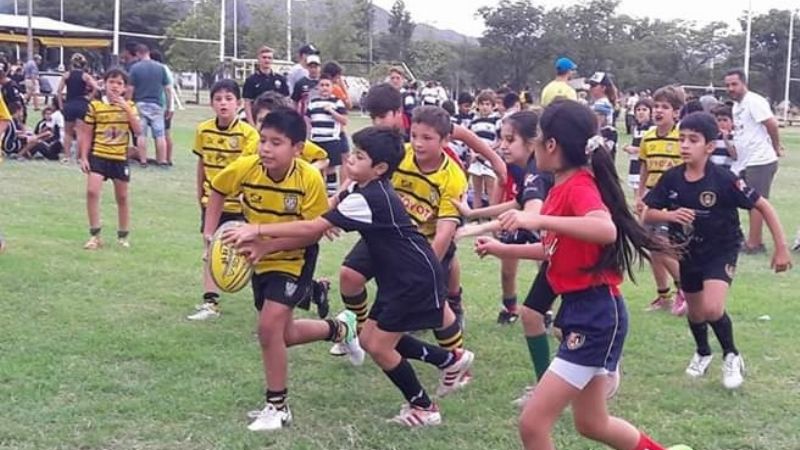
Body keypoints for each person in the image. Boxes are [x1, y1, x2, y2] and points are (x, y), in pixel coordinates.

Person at [223, 126, 475, 427]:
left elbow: (312, 228)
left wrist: (259, 230)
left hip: (413, 277)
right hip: (400, 276)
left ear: (379, 168)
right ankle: (450, 360)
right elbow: (324, 217)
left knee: (380, 346)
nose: (350, 160)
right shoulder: (360, 189)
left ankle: (424, 407)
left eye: (359, 157)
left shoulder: (370, 196)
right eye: (352, 153)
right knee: (370, 338)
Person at [473, 100, 684, 450]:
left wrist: (537, 219)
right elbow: (554, 251)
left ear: (550, 145)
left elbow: (605, 230)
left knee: (532, 424)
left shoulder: (580, 186)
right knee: (592, 424)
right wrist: (503, 249)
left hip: (596, 315)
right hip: (584, 311)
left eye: (537, 139)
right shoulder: (561, 186)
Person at [201, 108, 362, 432]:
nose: (265, 148)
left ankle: (277, 406)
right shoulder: (247, 168)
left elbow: (314, 230)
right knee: (282, 334)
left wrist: (261, 237)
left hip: (294, 259)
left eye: (276, 142)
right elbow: (217, 189)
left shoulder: (309, 178)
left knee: (267, 329)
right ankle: (341, 328)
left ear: (298, 149)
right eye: (263, 140)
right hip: (257, 259)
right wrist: (211, 236)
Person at [643, 112, 791, 390]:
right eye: (682, 139)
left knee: (712, 307)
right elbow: (648, 213)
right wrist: (670, 216)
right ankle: (702, 353)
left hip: (721, 250)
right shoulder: (672, 179)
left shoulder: (724, 179)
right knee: (695, 312)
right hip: (687, 252)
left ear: (709, 147)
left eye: (693, 140)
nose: (685, 145)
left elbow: (764, 206)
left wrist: (781, 248)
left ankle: (732, 355)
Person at [334, 104, 474, 393]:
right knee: (349, 275)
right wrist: (338, 196)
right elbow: (364, 170)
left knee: (438, 307)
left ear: (445, 141)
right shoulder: (401, 156)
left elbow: (445, 230)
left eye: (428, 138)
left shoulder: (453, 177)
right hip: (387, 233)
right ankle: (362, 332)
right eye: (415, 135)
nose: (419, 143)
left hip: (423, 247)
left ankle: (459, 363)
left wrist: (424, 269)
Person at [454, 112, 556, 396]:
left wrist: (485, 236)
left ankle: (604, 367)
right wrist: (475, 217)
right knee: (532, 314)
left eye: (510, 139)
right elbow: (518, 203)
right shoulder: (531, 170)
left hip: (571, 256)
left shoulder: (537, 172)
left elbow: (529, 213)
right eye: (501, 138)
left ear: (533, 141)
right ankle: (545, 385)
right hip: (559, 253)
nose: (502, 145)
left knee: (565, 326)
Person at [186, 79, 259, 321]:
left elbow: (247, 169)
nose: (223, 103)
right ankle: (210, 302)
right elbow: (201, 165)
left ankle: (270, 300)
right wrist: (200, 196)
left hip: (240, 206)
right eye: (218, 99)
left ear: (238, 103)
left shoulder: (249, 134)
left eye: (229, 99)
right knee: (210, 251)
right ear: (211, 104)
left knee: (252, 254)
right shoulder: (203, 130)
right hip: (212, 204)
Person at [77, 69, 142, 250]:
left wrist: (127, 108)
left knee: (122, 197)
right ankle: (95, 235)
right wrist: (83, 156)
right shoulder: (95, 106)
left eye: (120, 83)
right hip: (99, 155)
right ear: (104, 83)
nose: (115, 86)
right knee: (92, 192)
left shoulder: (129, 106)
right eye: (112, 81)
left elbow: (138, 130)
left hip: (119, 157)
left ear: (124, 88)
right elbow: (87, 133)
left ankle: (123, 236)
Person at [636, 85, 686, 315]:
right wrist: (639, 196)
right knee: (651, 247)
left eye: (665, 107)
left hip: (673, 201)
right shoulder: (647, 137)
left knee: (663, 245)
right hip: (651, 201)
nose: (658, 111)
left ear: (676, 112)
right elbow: (645, 168)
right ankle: (663, 296)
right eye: (656, 106)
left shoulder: (681, 138)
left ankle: (684, 288)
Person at [724, 69, 784, 255]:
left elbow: (772, 124)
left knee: (756, 201)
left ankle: (754, 243)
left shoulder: (754, 101)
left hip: (760, 160)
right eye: (727, 85)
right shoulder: (736, 106)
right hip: (745, 161)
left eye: (734, 84)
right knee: (747, 200)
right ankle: (750, 239)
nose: (730, 88)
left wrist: (776, 146)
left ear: (744, 83)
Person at [252, 92, 330, 171]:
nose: (266, 126)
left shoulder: (295, 143)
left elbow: (324, 160)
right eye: (261, 121)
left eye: (271, 121)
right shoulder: (252, 145)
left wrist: (305, 172)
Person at [128, 43, 172, 167]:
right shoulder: (160, 68)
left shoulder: (135, 68)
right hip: (157, 104)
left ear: (138, 54)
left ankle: (143, 161)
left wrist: (128, 104)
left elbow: (130, 89)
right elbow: (168, 89)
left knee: (141, 134)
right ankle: (162, 161)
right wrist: (169, 106)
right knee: (160, 134)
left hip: (140, 104)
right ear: (148, 52)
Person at [307, 74, 348, 187]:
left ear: (332, 87)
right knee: (317, 169)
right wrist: (308, 135)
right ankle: (319, 192)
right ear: (318, 87)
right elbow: (308, 119)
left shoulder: (337, 102)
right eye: (322, 85)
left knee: (331, 169)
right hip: (316, 140)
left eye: (327, 85)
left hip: (331, 140)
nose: (324, 88)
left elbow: (344, 120)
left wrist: (332, 112)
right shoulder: (313, 102)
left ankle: (331, 196)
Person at [56, 53, 99, 162]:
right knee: (81, 132)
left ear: (71, 64)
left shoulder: (66, 75)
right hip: (82, 104)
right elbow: (96, 88)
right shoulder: (85, 76)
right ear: (84, 64)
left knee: (68, 132)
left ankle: (67, 156)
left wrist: (61, 105)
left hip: (69, 104)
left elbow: (59, 91)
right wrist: (89, 98)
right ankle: (79, 157)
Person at [468, 89, 500, 210]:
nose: (485, 107)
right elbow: (470, 139)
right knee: (477, 191)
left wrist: (487, 153)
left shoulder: (496, 121)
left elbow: (500, 140)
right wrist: (473, 153)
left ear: (493, 106)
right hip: (476, 160)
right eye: (482, 104)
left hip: (489, 160)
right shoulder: (474, 121)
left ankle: (492, 220)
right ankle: (476, 218)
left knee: (491, 191)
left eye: (488, 104)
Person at [242, 46, 290, 125]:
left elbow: (287, 102)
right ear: (259, 59)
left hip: (277, 119)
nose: (267, 60)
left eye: (269, 58)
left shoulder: (280, 79)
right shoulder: (251, 80)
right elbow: (247, 104)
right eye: (264, 57)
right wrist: (252, 124)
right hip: (258, 119)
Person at [149, 50, 177, 165]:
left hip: (164, 105)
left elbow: (168, 89)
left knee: (164, 133)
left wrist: (169, 107)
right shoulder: (164, 69)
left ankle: (166, 158)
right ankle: (165, 158)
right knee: (164, 133)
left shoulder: (161, 70)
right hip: (166, 105)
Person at [623, 98, 654, 194]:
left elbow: (651, 149)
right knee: (636, 196)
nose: (641, 112)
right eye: (638, 110)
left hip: (644, 168)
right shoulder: (637, 129)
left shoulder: (652, 129)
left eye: (644, 110)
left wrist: (634, 149)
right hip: (635, 165)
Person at [711, 105, 737, 171]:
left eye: (725, 120)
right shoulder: (714, 136)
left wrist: (726, 139)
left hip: (728, 170)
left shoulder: (736, 137)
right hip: (714, 170)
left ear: (732, 122)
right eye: (719, 120)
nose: (722, 123)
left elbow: (735, 156)